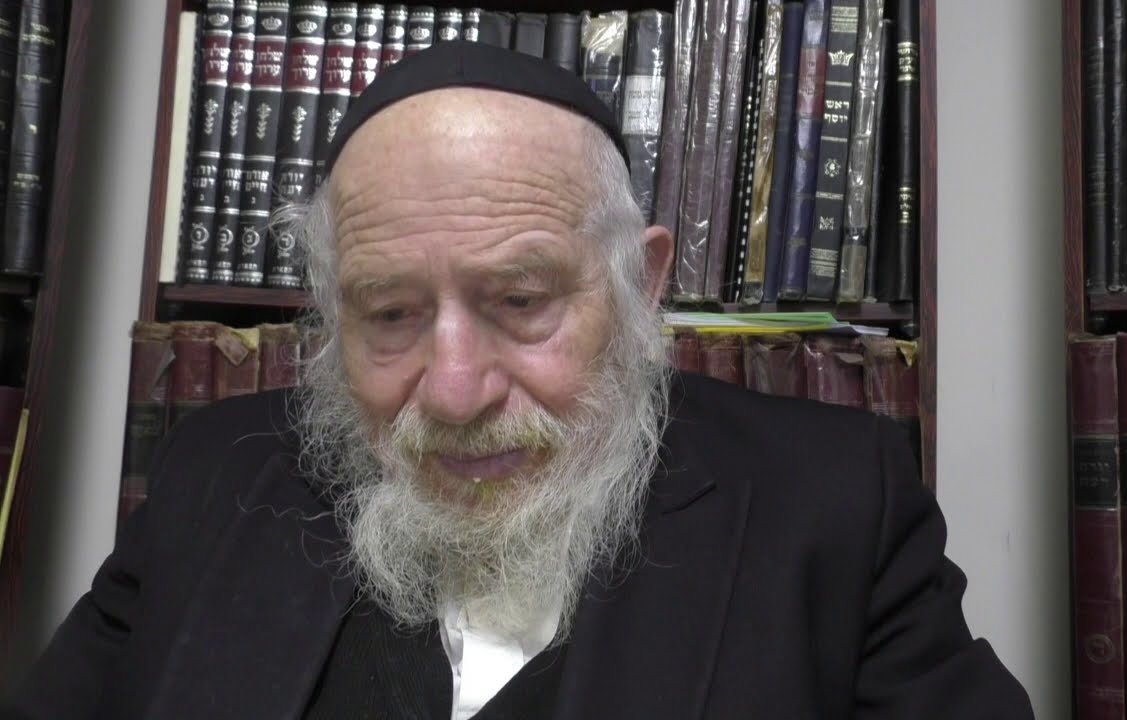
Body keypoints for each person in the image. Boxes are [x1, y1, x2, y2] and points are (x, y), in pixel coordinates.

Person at [4, 41, 1034, 719]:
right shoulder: (216, 472)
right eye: (390, 314)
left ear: (641, 284)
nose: (455, 393)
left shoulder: (834, 498)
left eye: (522, 299)